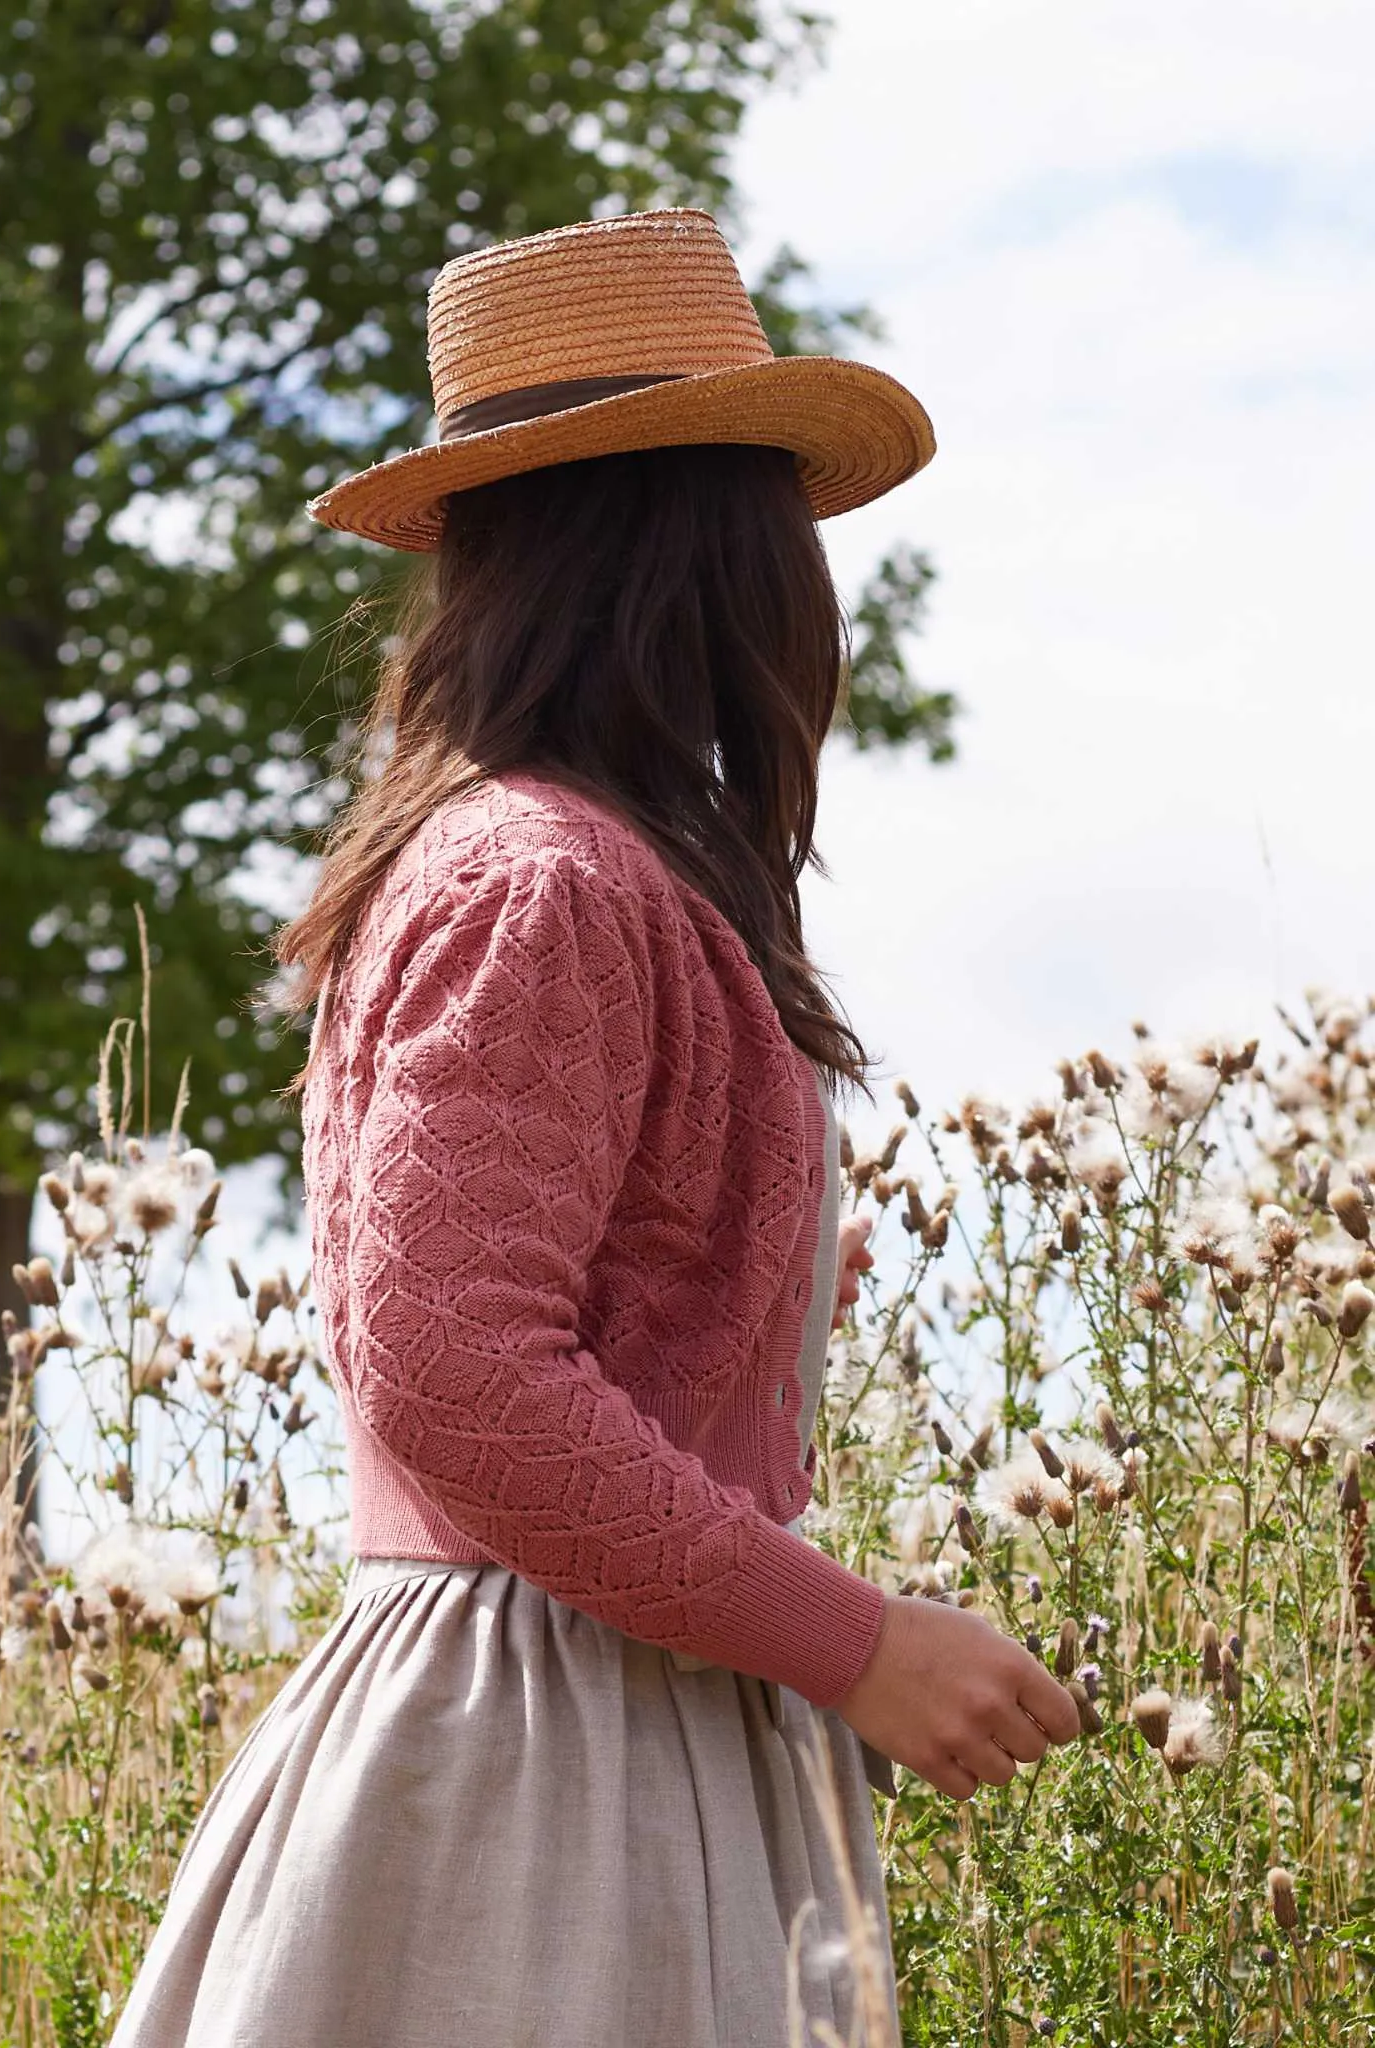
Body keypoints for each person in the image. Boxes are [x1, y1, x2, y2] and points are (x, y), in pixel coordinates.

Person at [109, 207, 1080, 2048]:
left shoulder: (570, 870)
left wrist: (756, 1271)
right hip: (540, 1770)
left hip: (609, 1720)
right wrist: (855, 1643)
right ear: (696, 536)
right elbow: (455, 1372)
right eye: (777, 512)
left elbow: (533, 1307)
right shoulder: (543, 879)